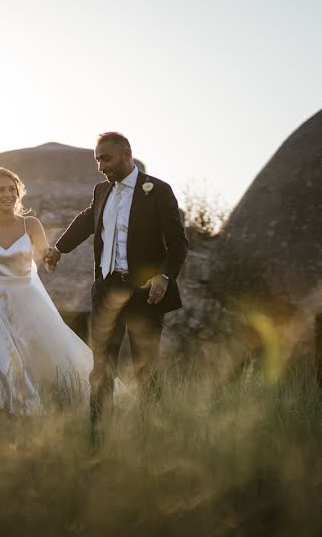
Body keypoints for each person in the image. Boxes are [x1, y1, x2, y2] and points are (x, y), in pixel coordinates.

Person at [45, 132, 188, 437]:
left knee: (145, 369)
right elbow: (87, 221)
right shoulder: (101, 191)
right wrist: (59, 248)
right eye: (97, 159)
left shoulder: (158, 191)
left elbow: (178, 243)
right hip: (107, 292)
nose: (100, 166)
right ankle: (97, 437)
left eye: (105, 159)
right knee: (101, 368)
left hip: (144, 293)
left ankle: (151, 438)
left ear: (126, 155)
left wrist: (164, 276)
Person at [0, 167, 113, 414]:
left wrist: (51, 259)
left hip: (27, 297)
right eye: (1, 189)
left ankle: (32, 407)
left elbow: (45, 254)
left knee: (41, 354)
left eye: (12, 189)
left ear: (18, 193)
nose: (7, 194)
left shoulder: (30, 224)